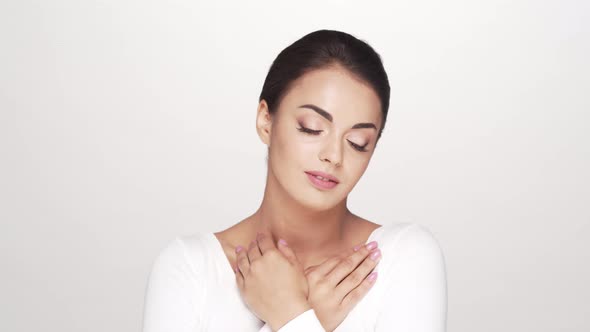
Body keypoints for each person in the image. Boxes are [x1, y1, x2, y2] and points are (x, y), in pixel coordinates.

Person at [142, 29, 447, 332]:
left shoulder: (400, 258)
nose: (334, 155)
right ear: (266, 121)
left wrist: (291, 314)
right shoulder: (189, 267)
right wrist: (310, 318)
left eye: (357, 141)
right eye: (312, 128)